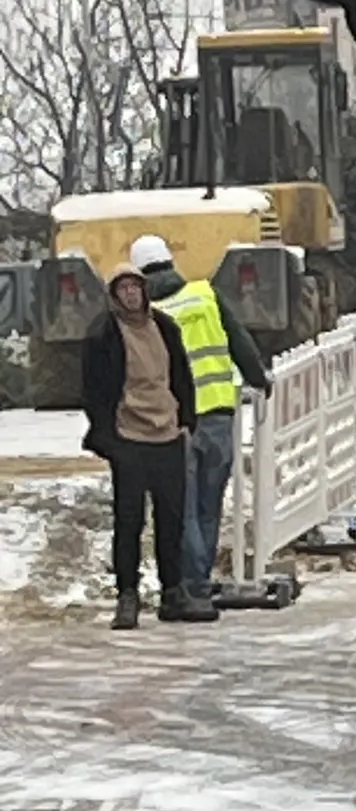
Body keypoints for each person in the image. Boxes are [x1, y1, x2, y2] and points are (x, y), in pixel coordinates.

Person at [130, 235, 271, 606]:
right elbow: (239, 341)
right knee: (209, 507)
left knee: (185, 508)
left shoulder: (148, 316)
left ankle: (192, 586)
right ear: (169, 262)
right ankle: (201, 579)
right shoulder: (205, 294)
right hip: (220, 415)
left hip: (176, 423)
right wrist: (258, 379)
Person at [81, 264, 204, 630]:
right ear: (114, 295)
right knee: (130, 519)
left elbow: (181, 374)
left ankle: (173, 592)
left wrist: (186, 419)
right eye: (124, 288)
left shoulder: (164, 328)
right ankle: (128, 596)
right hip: (129, 437)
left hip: (167, 434)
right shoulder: (103, 334)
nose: (131, 294)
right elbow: (93, 389)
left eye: (136, 287)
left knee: (172, 518)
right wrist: (107, 437)